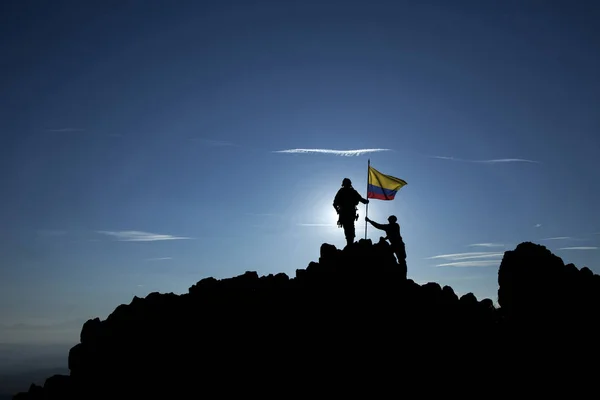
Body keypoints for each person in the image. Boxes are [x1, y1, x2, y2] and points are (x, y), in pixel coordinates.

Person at [333, 178, 369, 247]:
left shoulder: (351, 191)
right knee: (349, 230)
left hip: (349, 214)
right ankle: (350, 245)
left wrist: (365, 201)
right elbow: (335, 203)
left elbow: (360, 199)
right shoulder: (343, 191)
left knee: (350, 230)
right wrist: (338, 211)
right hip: (345, 214)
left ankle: (350, 245)